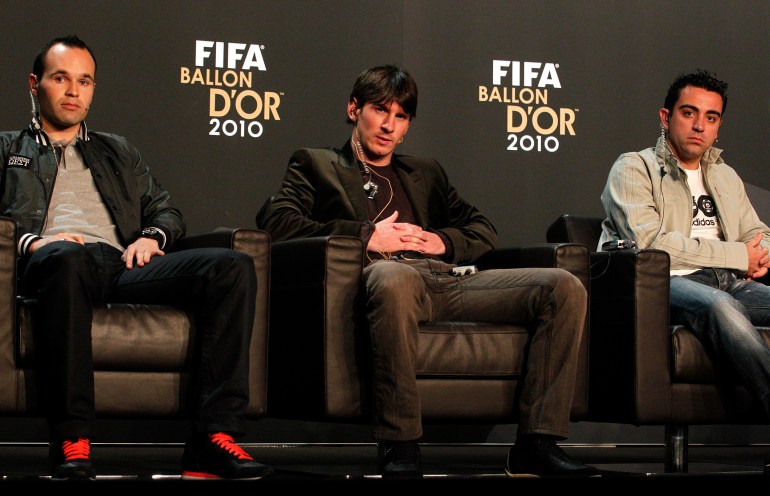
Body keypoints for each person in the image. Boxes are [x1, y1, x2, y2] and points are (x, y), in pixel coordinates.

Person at [256, 64, 599, 479]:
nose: (388, 125)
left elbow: (482, 228)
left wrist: (444, 241)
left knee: (563, 286)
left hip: (445, 279)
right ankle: (400, 445)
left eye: (400, 117)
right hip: (382, 280)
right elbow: (276, 222)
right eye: (380, 110)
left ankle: (536, 444)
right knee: (393, 277)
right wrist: (366, 235)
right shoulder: (317, 164)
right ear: (353, 109)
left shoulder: (426, 172)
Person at [0, 35, 274, 480]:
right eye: (61, 78)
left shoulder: (117, 150)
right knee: (67, 257)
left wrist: (153, 236)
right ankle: (72, 435)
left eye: (84, 81)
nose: (74, 91)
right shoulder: (8, 148)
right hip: (53, 263)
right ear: (35, 84)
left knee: (232, 266)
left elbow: (165, 208)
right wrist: (34, 243)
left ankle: (212, 438)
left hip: (121, 262)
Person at [599, 69, 770, 419]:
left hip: (729, 281)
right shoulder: (634, 167)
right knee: (720, 306)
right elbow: (651, 245)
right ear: (667, 117)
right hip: (664, 284)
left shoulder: (724, 175)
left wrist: (761, 255)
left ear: (719, 126)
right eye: (689, 113)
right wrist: (739, 255)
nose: (699, 126)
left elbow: (757, 232)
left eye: (711, 117)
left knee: (724, 297)